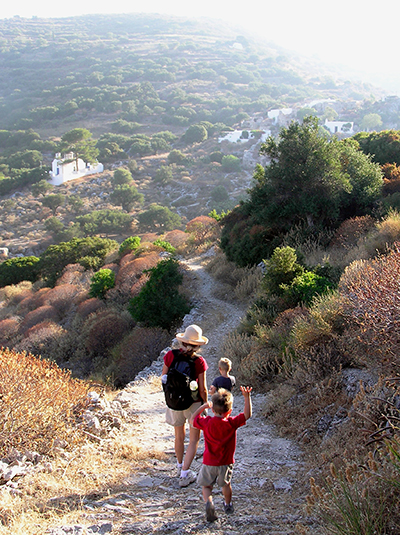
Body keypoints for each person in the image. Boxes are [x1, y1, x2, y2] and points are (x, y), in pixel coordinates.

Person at [190, 385, 252, 522]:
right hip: (225, 462)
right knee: (226, 484)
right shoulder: (231, 422)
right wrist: (247, 398)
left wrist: (202, 407)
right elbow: (247, 415)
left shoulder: (207, 422)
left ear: (212, 410)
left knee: (206, 486)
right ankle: (228, 504)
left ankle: (209, 502)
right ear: (229, 411)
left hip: (209, 462)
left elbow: (192, 421)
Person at [161, 324, 209, 487]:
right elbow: (202, 388)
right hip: (193, 403)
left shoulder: (170, 356)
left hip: (174, 401)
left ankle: (180, 466)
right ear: (197, 345)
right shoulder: (199, 362)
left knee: (178, 436)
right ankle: (185, 473)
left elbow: (163, 377)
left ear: (182, 342)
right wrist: (205, 403)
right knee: (194, 439)